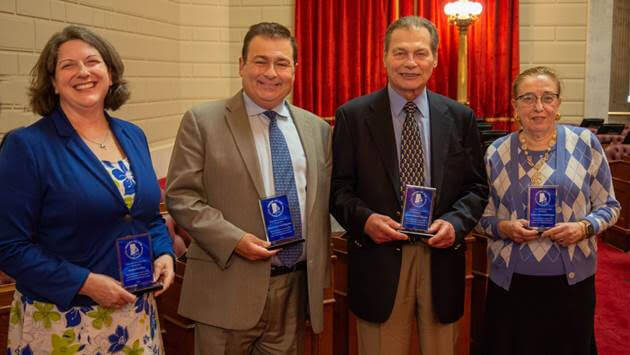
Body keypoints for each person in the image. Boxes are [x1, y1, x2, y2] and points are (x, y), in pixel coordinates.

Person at [0, 25, 175, 354]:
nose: (83, 72)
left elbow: (146, 216)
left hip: (137, 315)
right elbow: (8, 246)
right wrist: (84, 283)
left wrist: (163, 251)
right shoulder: (27, 146)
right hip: (63, 320)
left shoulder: (133, 135)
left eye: (92, 61)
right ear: (52, 82)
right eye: (67, 65)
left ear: (110, 73)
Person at [166, 22, 332, 355]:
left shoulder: (317, 129)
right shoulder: (202, 121)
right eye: (260, 61)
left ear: (295, 70)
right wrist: (235, 241)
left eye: (282, 63)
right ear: (241, 64)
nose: (271, 72)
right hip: (226, 289)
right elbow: (181, 197)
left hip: (293, 292)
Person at [330, 16, 488, 355]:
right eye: (400, 53)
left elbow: (476, 187)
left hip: (441, 261)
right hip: (379, 262)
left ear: (435, 59)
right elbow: (339, 190)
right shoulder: (352, 117)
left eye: (420, 53)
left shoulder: (460, 117)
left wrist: (457, 223)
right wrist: (366, 220)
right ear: (385, 57)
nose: (410, 63)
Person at [478, 66, 620, 355]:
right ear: (514, 105)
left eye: (547, 97)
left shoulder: (584, 144)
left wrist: (583, 228)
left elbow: (609, 206)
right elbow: (480, 217)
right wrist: (504, 228)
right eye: (528, 98)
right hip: (511, 282)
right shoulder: (495, 152)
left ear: (558, 103)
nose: (538, 107)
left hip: (571, 282)